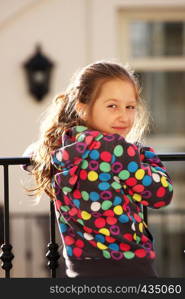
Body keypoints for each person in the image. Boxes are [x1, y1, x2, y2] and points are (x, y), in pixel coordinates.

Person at [22, 60, 173, 278]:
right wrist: (146, 156)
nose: (124, 116)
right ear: (82, 106)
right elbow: (161, 194)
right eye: (112, 106)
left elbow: (29, 157)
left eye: (130, 107)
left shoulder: (60, 147)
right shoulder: (117, 149)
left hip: (79, 267)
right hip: (129, 268)